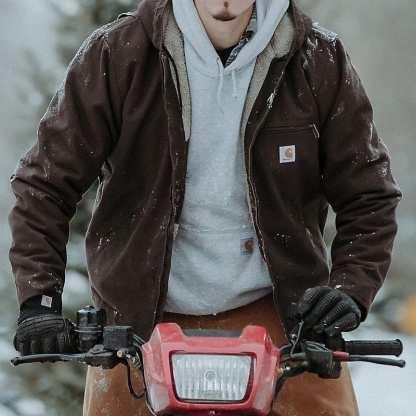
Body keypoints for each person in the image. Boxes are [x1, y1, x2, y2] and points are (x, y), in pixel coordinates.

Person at [9, 0, 401, 415]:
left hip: (286, 316)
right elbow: (44, 183)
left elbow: (369, 194)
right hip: (136, 322)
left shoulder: (317, 59)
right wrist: (39, 301)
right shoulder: (117, 54)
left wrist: (349, 289)